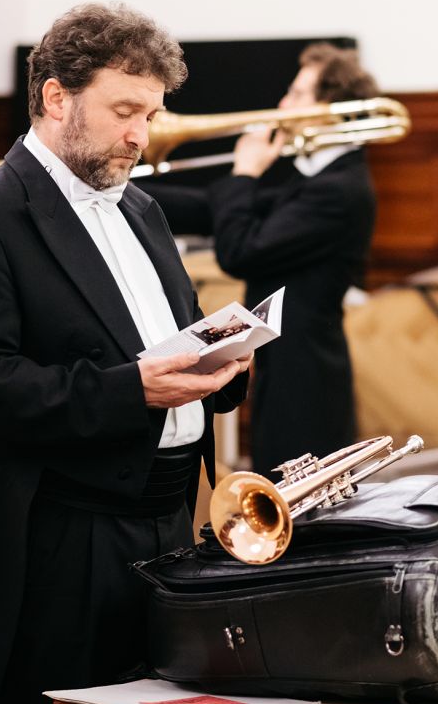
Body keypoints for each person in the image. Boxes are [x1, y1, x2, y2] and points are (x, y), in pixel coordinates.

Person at [0, 3, 251, 704]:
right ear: (55, 97)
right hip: (61, 537)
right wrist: (131, 391)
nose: (141, 134)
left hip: (167, 520)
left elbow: (170, 343)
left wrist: (224, 365)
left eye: (151, 114)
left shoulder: (141, 209)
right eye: (125, 109)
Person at [143, 43, 380, 479]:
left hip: (305, 377)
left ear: (333, 108)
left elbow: (239, 251)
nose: (283, 105)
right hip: (289, 364)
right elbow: (213, 207)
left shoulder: (339, 189)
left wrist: (245, 174)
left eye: (297, 93)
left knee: (298, 503)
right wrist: (123, 190)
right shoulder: (316, 176)